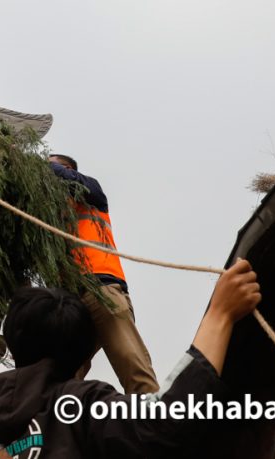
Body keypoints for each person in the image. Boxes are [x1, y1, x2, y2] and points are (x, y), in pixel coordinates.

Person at [0, 260, 261, 458]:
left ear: (12, 342)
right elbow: (168, 423)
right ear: (85, 353)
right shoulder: (78, 405)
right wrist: (220, 315)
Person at [48, 154, 159, 395]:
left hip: (102, 288)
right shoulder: (48, 212)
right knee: (61, 377)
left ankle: (153, 414)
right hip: (68, 300)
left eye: (51, 163)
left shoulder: (91, 193)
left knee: (132, 363)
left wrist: (40, 165)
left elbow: (69, 180)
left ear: (68, 169)